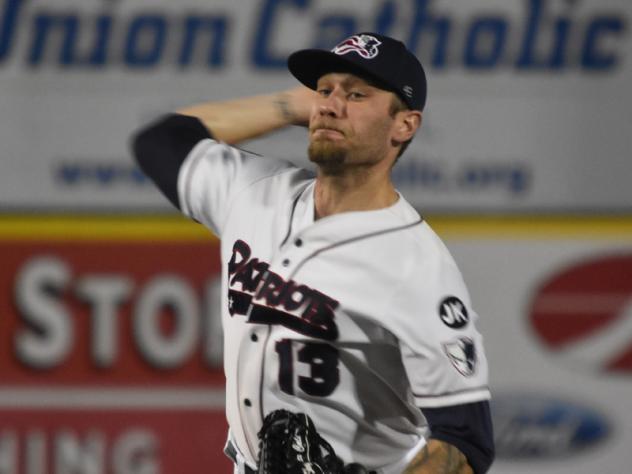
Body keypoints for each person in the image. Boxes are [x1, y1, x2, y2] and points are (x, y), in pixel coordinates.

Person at [132, 32, 494, 474]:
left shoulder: (418, 268)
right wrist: (291, 105)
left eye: (357, 94)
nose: (330, 104)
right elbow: (162, 140)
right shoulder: (255, 192)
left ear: (405, 125)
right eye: (324, 90)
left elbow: (465, 442)